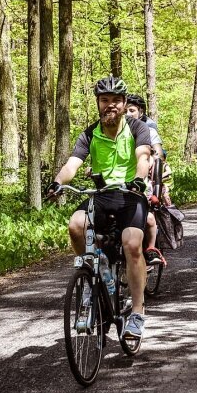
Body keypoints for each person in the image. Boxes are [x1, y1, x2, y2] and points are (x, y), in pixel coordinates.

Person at [46, 75, 151, 339]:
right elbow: (72, 164)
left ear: (124, 103)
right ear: (98, 103)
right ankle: (92, 271)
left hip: (130, 195)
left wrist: (139, 179)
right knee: (76, 225)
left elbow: (143, 157)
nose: (111, 105)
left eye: (116, 100)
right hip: (102, 195)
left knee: (131, 243)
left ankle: (137, 313)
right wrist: (58, 182)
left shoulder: (138, 129)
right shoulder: (89, 133)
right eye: (105, 100)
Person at [126, 95, 166, 267]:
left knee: (148, 218)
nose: (127, 113)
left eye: (132, 110)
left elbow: (159, 154)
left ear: (140, 112)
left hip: (144, 180)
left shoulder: (149, 131)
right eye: (126, 109)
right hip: (122, 181)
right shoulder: (115, 132)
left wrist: (154, 156)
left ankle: (150, 248)